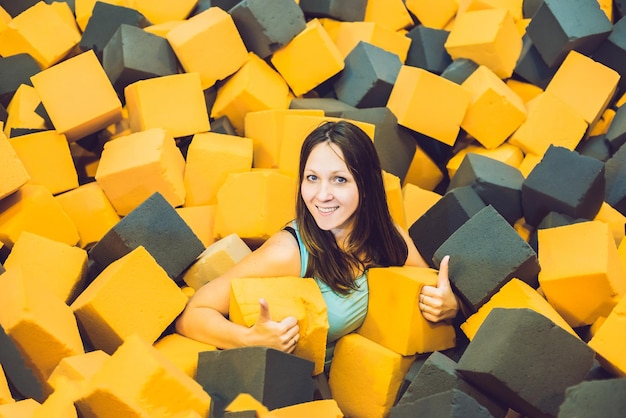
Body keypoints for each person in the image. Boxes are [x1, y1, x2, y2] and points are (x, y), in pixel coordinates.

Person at [175, 120, 460, 372]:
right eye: (312, 178)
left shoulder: (387, 237)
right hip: (299, 389)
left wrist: (450, 306)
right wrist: (248, 339)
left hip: (366, 381)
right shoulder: (288, 252)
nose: (321, 195)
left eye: (339, 179)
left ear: (367, 184)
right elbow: (192, 315)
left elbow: (428, 291)